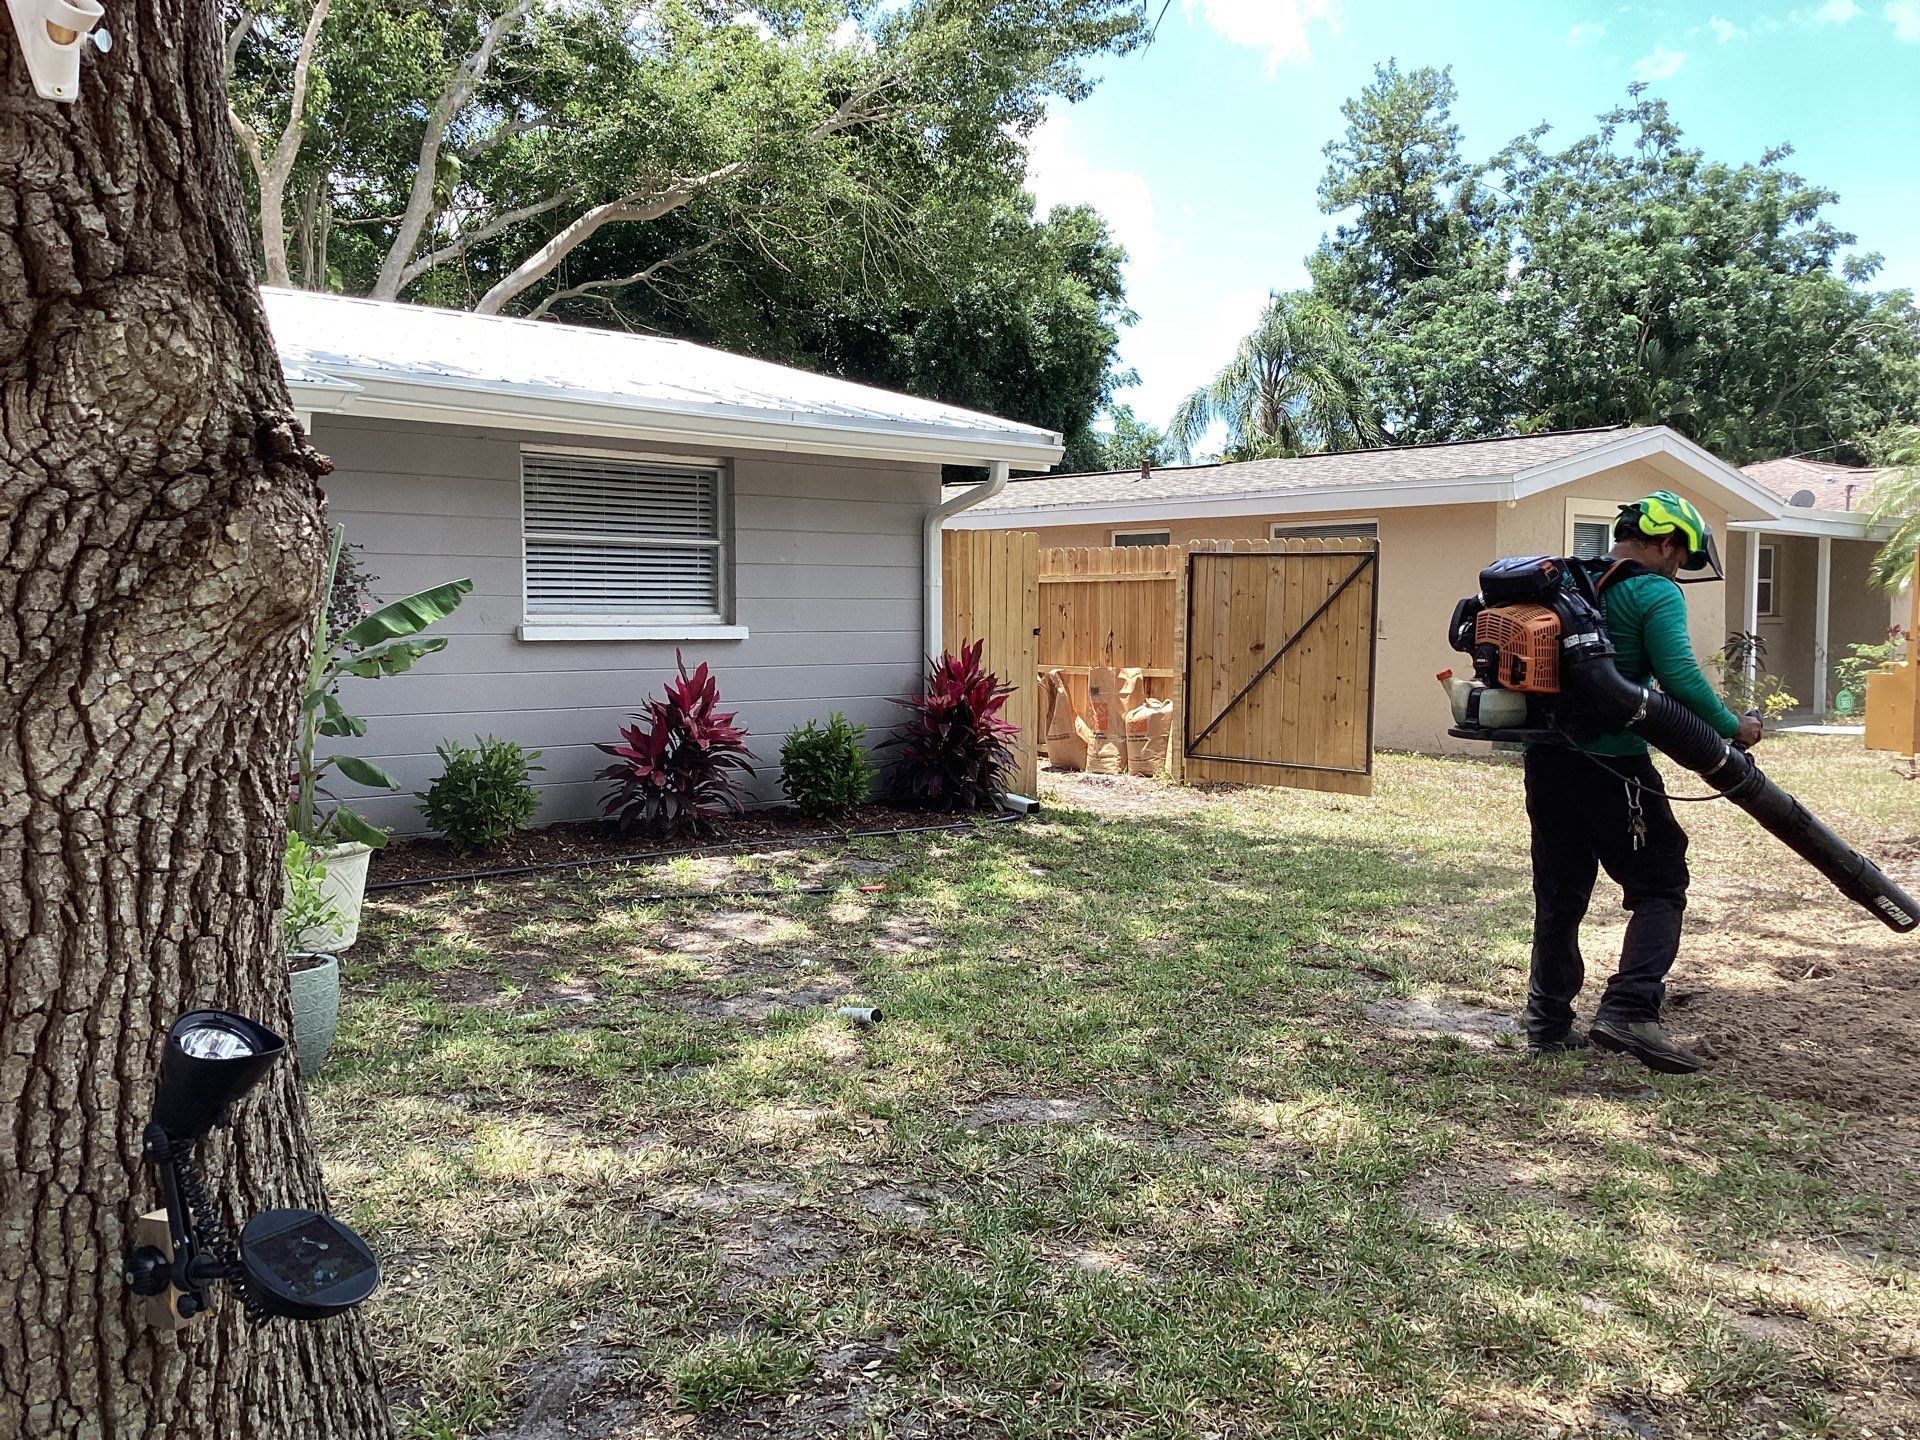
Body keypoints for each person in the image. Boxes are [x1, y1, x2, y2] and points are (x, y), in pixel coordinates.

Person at [1524, 490, 1762, 1074]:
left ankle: (1548, 1022)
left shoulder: (1567, 585)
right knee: (1660, 882)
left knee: (1561, 891)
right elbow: (1680, 677)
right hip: (1614, 763)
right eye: (1680, 555)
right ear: (1661, 542)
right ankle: (1630, 1009)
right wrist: (1735, 727)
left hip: (1547, 760)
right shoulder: (1653, 591)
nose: (1679, 567)